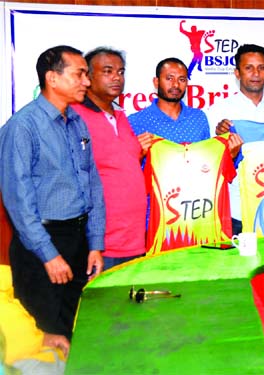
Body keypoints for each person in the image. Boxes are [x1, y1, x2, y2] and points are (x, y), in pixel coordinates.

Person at [0, 45, 104, 339]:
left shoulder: (76, 121)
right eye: (79, 74)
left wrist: (94, 243)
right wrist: (48, 255)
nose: (86, 81)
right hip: (41, 247)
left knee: (75, 332)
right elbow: (18, 202)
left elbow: (92, 183)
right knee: (44, 336)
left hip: (78, 241)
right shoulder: (22, 127)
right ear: (52, 78)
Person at [71, 47, 151, 270]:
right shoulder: (75, 117)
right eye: (108, 71)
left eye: (121, 71)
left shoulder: (121, 116)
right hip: (100, 245)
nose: (117, 77)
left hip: (133, 239)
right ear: (88, 77)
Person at [207, 44, 264, 235]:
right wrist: (220, 140)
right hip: (236, 210)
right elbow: (209, 162)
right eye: (249, 68)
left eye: (261, 67)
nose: (256, 73)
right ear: (237, 73)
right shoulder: (219, 111)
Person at [1, 265, 69, 375]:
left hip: (42, 354)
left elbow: (11, 324)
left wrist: (43, 338)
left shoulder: (6, 277)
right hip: (19, 366)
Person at [128, 57, 211, 143]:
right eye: (169, 78)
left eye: (181, 80)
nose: (176, 84)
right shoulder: (135, 122)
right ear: (156, 82)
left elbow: (208, 154)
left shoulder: (198, 117)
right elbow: (124, 155)